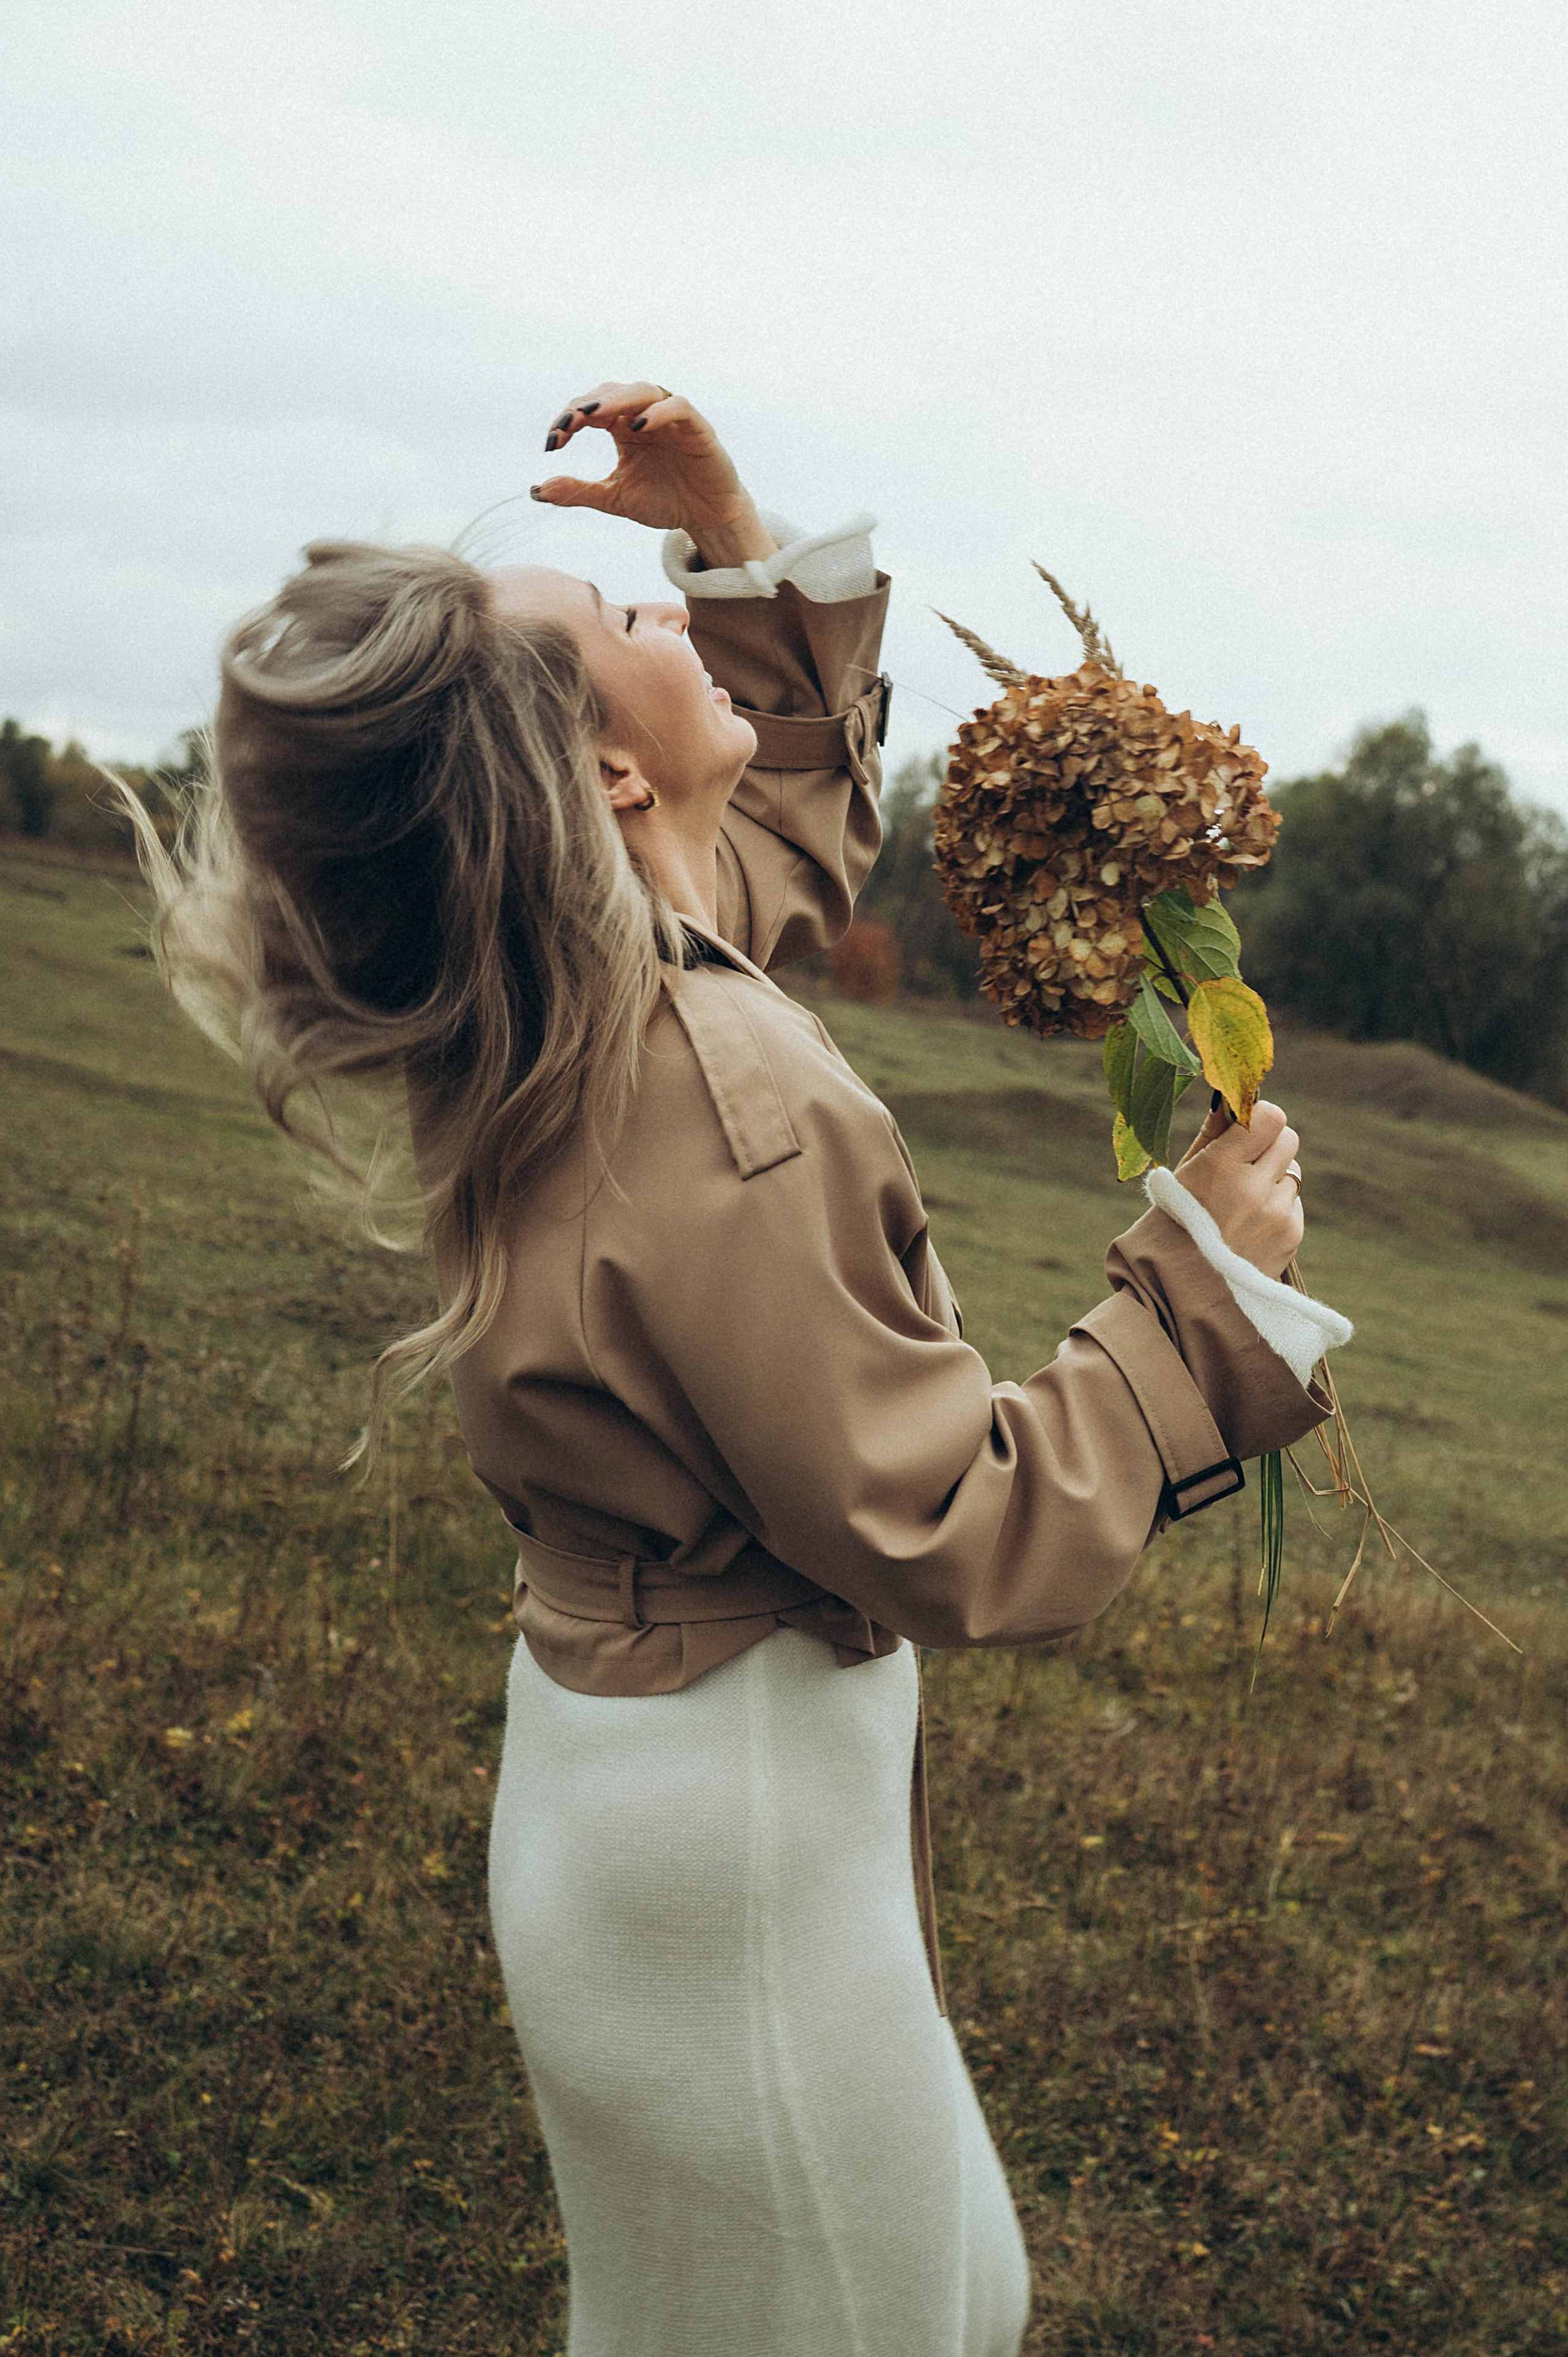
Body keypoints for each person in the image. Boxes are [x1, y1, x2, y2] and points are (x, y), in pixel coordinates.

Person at [129, 380, 1348, 2357]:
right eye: (623, 619)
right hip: (737, 1835)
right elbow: (953, 1527)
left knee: (953, 2296)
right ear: (604, 779)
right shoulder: (711, 1090)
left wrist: (733, 555)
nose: (663, 609)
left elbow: (741, 861)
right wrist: (1204, 1286)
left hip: (657, 1798)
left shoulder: (572, 998)